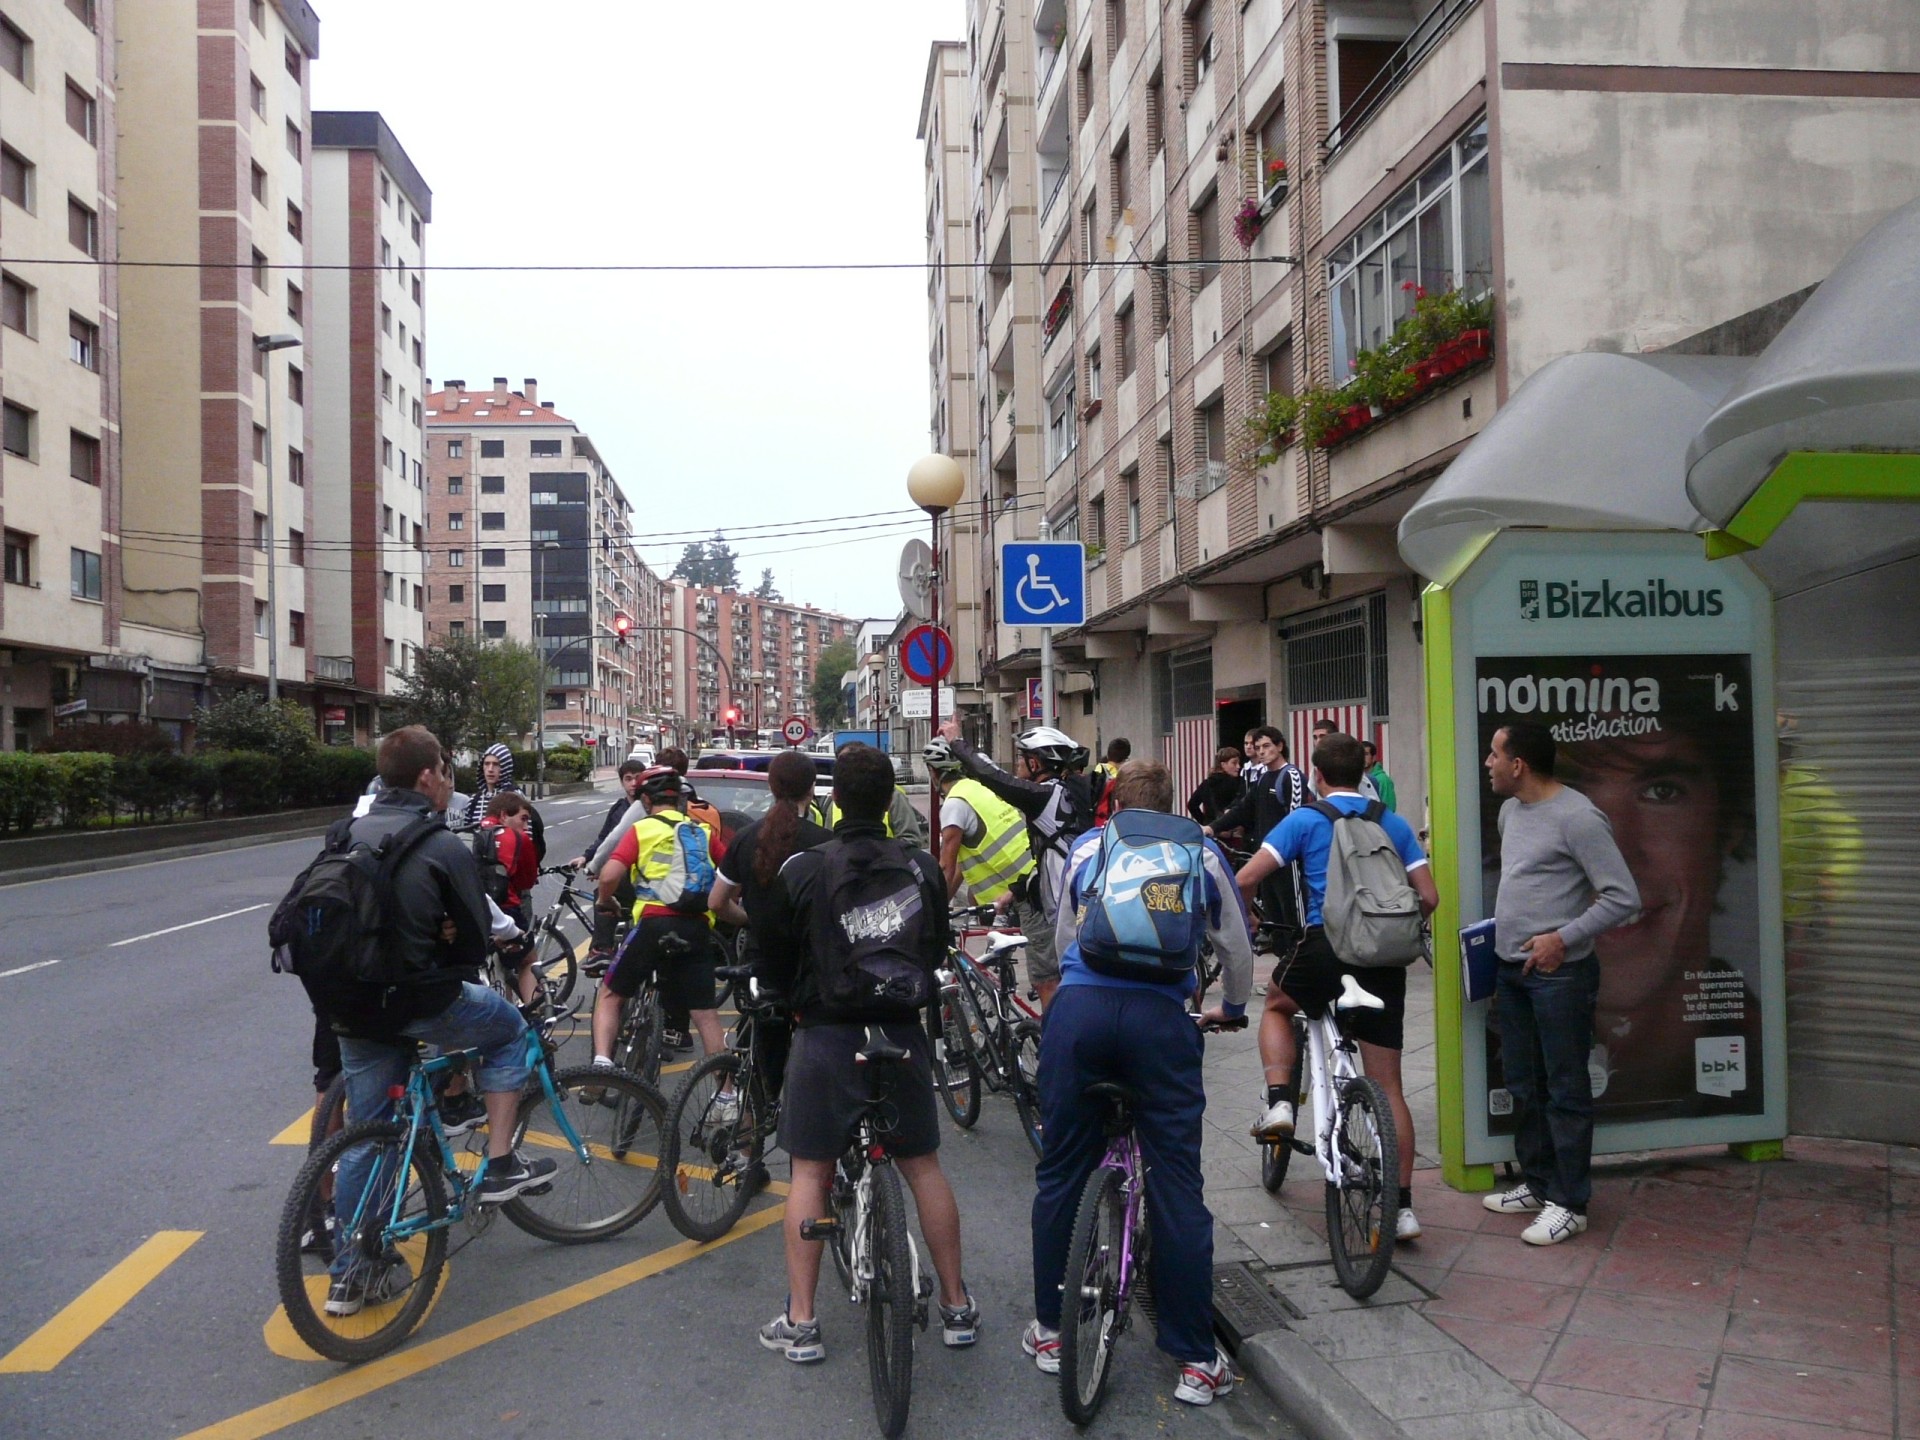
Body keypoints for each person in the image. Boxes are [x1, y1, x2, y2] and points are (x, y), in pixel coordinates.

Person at [1025, 759, 1253, 1407]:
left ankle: (1048, 1329)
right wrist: (1233, 1009)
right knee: (1177, 1182)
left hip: (1082, 1016)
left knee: (1061, 1171)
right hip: (1160, 1022)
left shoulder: (1090, 847)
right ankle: (1193, 1360)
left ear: (1115, 804)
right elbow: (1237, 948)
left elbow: (1071, 931)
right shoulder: (1202, 854)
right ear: (1173, 804)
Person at [311, 727, 556, 1313]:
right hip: (416, 1000)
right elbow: (475, 942)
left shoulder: (343, 832)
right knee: (509, 1034)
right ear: (427, 778)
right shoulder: (442, 843)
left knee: (364, 1138)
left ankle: (348, 1273)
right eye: (447, 772)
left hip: (347, 1005)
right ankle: (499, 1163)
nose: (451, 782)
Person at [750, 743, 976, 1363]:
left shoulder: (803, 868)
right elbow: (932, 951)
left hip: (827, 1035)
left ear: (835, 798)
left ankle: (802, 1321)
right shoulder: (923, 868)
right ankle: (957, 1306)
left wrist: (782, 996)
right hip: (901, 1032)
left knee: (811, 1172)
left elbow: (773, 959)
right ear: (889, 803)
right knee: (923, 1165)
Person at [1232, 731, 1438, 1242]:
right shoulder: (1393, 822)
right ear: (1364, 771)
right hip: (1383, 960)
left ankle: (1280, 1101)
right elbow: (1428, 896)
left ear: (1318, 775)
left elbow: (1246, 878)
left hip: (1325, 948)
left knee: (1279, 1006)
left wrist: (1253, 917)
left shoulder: (1304, 819)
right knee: (1388, 1085)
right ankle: (1404, 1208)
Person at [1482, 720, 1640, 1246]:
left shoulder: (1578, 817)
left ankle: (1570, 1203)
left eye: (1494, 755)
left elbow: (1622, 897)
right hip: (1511, 971)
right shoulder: (1510, 811)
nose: (1489, 764)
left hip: (1560, 975)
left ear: (1518, 765)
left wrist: (1562, 939)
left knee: (1566, 1088)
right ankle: (1539, 1183)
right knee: (1524, 1084)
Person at [934, 720, 1091, 1010]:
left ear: (1035, 763)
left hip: (1059, 912)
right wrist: (1018, 890)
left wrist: (957, 743)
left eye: (1021, 758)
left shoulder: (1044, 797)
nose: (1017, 765)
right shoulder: (1064, 793)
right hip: (1074, 903)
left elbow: (992, 776)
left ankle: (1055, 1046)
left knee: (1047, 980)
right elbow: (1050, 857)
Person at [588, 766, 727, 1077]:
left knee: (611, 995)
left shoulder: (642, 829)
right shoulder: (702, 832)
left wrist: (604, 900)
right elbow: (732, 876)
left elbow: (609, 875)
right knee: (705, 1016)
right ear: (679, 800)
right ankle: (727, 1097)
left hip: (654, 924)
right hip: (696, 927)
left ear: (646, 802)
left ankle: (601, 1067)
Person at [710, 750, 831, 1103]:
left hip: (761, 966)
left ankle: (748, 1144)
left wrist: (752, 918)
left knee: (760, 1062)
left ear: (771, 787)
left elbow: (717, 902)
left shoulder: (747, 838)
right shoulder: (825, 841)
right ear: (811, 790)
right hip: (809, 970)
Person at [925, 736, 1040, 946]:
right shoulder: (977, 788)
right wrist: (942, 907)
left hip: (1015, 895)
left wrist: (930, 915)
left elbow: (946, 867)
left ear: (933, 772)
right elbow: (961, 866)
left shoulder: (954, 804)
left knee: (1042, 974)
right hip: (1030, 879)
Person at [482, 792, 541, 1003]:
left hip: (471, 911)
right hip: (506, 909)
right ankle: (533, 1015)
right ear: (505, 815)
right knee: (528, 960)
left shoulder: (469, 833)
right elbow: (527, 880)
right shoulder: (518, 838)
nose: (526, 826)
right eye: (523, 819)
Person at [463, 742, 546, 860]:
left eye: (496, 764)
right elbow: (466, 838)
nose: (490, 769)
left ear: (505, 767)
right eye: (487, 764)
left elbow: (526, 838)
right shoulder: (474, 801)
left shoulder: (516, 798)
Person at [1185, 747, 1244, 828]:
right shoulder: (1234, 783)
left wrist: (1205, 822)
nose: (1238, 766)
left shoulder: (1206, 783)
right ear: (1223, 765)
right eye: (1234, 763)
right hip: (1230, 831)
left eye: (1238, 763)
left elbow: (1191, 805)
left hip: (1210, 830)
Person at [1089, 738, 1131, 825]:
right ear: (1125, 759)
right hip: (1112, 823)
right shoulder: (1121, 777)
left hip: (1096, 821)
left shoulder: (1098, 769)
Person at [1362, 740, 1397, 813]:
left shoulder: (1383, 780)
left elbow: (1389, 809)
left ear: (1373, 758)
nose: (1362, 757)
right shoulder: (1357, 779)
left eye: (1365, 754)